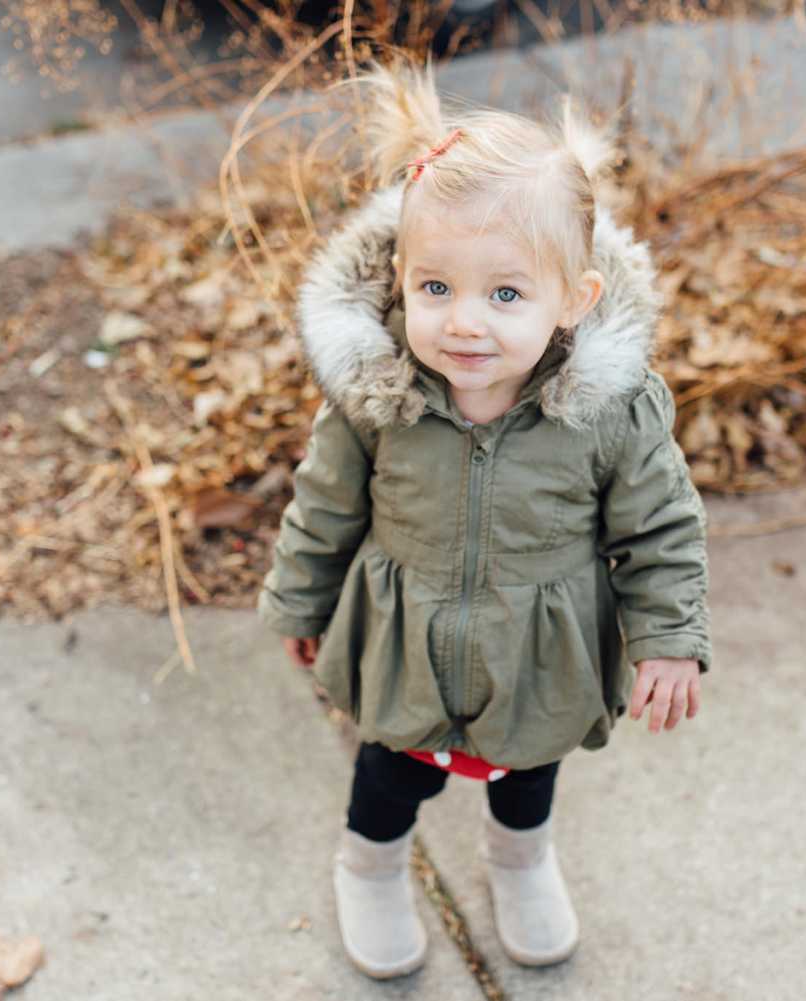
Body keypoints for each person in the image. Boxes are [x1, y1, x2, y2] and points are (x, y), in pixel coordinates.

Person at [256, 61, 712, 980]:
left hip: (538, 647)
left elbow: (660, 527)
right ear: (400, 277)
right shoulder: (375, 396)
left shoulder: (609, 409)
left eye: (505, 294)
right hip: (404, 634)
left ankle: (522, 858)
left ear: (574, 301)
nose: (464, 323)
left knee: (531, 767)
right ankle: (371, 867)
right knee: (395, 769)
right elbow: (325, 504)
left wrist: (670, 635)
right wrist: (300, 604)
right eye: (436, 288)